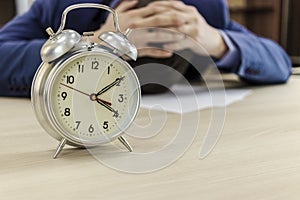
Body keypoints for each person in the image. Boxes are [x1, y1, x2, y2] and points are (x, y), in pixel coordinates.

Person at [0, 0, 292, 97]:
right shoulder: (64, 7)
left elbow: (279, 60)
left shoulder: (204, 8)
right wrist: (92, 44)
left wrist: (215, 40)